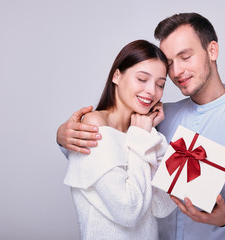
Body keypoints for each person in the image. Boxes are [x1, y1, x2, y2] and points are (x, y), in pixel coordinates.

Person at [57, 13, 225, 239]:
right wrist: (64, 138)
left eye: (186, 57)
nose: (177, 72)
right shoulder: (157, 117)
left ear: (212, 50)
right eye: (170, 63)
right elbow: (108, 151)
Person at [62, 39, 176, 240]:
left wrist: (152, 135)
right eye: (142, 79)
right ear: (117, 75)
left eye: (160, 84)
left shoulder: (141, 131)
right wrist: (142, 137)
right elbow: (129, 211)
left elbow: (162, 203)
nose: (152, 91)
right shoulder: (94, 125)